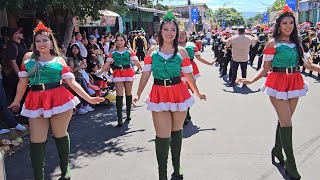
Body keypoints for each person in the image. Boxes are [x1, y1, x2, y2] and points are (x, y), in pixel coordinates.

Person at [8, 22, 104, 180]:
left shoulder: (59, 60)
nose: (42, 44)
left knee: (60, 135)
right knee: (36, 141)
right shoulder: (28, 60)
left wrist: (90, 98)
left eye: (45, 40)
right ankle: (39, 176)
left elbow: (71, 82)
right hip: (35, 99)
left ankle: (65, 170)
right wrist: (17, 101)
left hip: (59, 98)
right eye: (38, 41)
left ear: (51, 41)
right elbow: (22, 83)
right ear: (34, 43)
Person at [133, 12, 206, 180]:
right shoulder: (152, 51)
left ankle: (177, 166)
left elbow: (188, 76)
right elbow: (145, 75)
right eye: (165, 29)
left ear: (176, 32)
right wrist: (137, 94)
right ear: (160, 31)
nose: (169, 32)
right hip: (159, 93)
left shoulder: (182, 52)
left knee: (176, 131)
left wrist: (197, 93)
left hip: (179, 92)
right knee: (162, 135)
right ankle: (162, 174)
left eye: (173, 29)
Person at [239, 5, 308, 180]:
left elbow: (307, 66)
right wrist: (251, 80)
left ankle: (277, 151)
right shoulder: (272, 44)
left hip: (295, 82)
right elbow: (265, 69)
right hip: (277, 83)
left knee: (285, 120)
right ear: (278, 25)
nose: (288, 26)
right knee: (287, 124)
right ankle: (291, 165)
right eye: (284, 23)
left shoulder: (296, 43)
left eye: (291, 23)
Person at [98, 34, 142, 126]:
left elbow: (136, 62)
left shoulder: (129, 51)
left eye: (121, 40)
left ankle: (128, 114)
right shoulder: (113, 52)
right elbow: (107, 63)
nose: (119, 42)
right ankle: (120, 118)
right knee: (119, 95)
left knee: (128, 93)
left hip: (128, 72)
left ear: (125, 41)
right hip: (118, 73)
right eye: (117, 40)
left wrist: (144, 70)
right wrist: (100, 72)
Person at [178, 28, 213, 124]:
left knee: (189, 92)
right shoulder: (172, 45)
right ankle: (183, 114)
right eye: (179, 34)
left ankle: (187, 111)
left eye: (183, 34)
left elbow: (199, 58)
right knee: (181, 93)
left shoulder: (192, 45)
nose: (181, 36)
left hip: (191, 69)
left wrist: (209, 63)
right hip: (177, 70)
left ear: (186, 35)